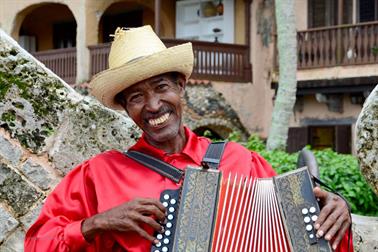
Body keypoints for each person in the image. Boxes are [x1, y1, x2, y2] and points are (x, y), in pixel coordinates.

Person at [25, 25, 352, 251]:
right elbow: (37, 244)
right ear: (125, 107)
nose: (153, 105)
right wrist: (94, 224)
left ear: (181, 87)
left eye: (162, 87)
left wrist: (333, 213)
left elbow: (300, 237)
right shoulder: (97, 175)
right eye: (136, 97)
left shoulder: (241, 160)